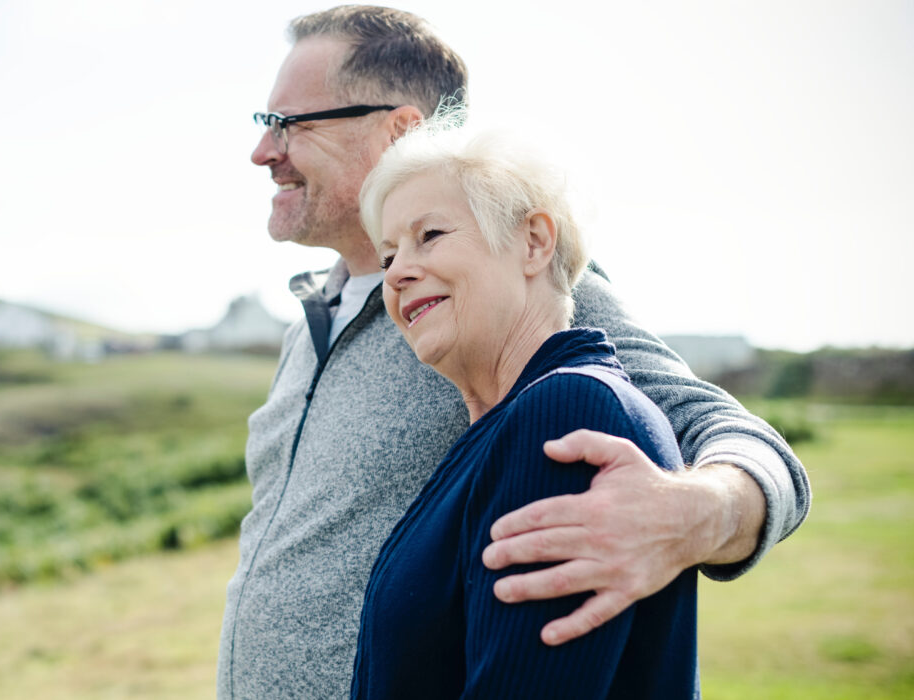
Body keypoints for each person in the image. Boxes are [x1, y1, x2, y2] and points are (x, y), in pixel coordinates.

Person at [218, 6, 809, 698]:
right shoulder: (311, 320)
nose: (265, 152)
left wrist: (698, 514)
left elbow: (728, 433)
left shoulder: (508, 289)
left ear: (401, 130)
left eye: (290, 124)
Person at [352, 120, 696, 698]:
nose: (398, 274)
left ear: (534, 242)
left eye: (429, 234)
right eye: (388, 257)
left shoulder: (566, 413)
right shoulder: (498, 431)